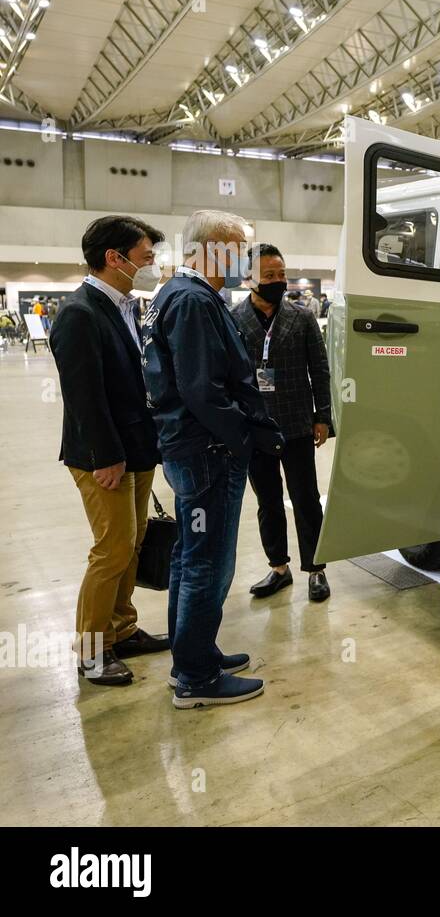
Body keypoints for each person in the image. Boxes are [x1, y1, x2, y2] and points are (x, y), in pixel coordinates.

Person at [142, 210, 284, 709]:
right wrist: (244, 436)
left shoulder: (180, 296)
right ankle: (196, 679)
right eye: (237, 247)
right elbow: (203, 389)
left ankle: (194, 654)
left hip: (190, 446)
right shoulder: (194, 300)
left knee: (189, 554)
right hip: (208, 450)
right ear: (211, 248)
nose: (244, 256)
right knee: (209, 561)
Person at [50, 216, 172, 686]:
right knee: (112, 548)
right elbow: (83, 395)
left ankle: (121, 628)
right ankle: (91, 648)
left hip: (135, 448)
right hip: (103, 456)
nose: (152, 266)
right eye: (145, 258)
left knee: (134, 543)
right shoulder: (79, 313)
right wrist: (105, 457)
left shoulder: (125, 306)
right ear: (114, 259)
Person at [232, 243, 333, 602]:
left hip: (297, 424)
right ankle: (278, 567)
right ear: (250, 279)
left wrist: (323, 417)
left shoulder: (301, 317)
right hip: (255, 427)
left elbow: (320, 371)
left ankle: (316, 569)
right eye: (269, 276)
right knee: (268, 501)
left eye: (281, 274)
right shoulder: (233, 318)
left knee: (306, 498)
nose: (277, 281)